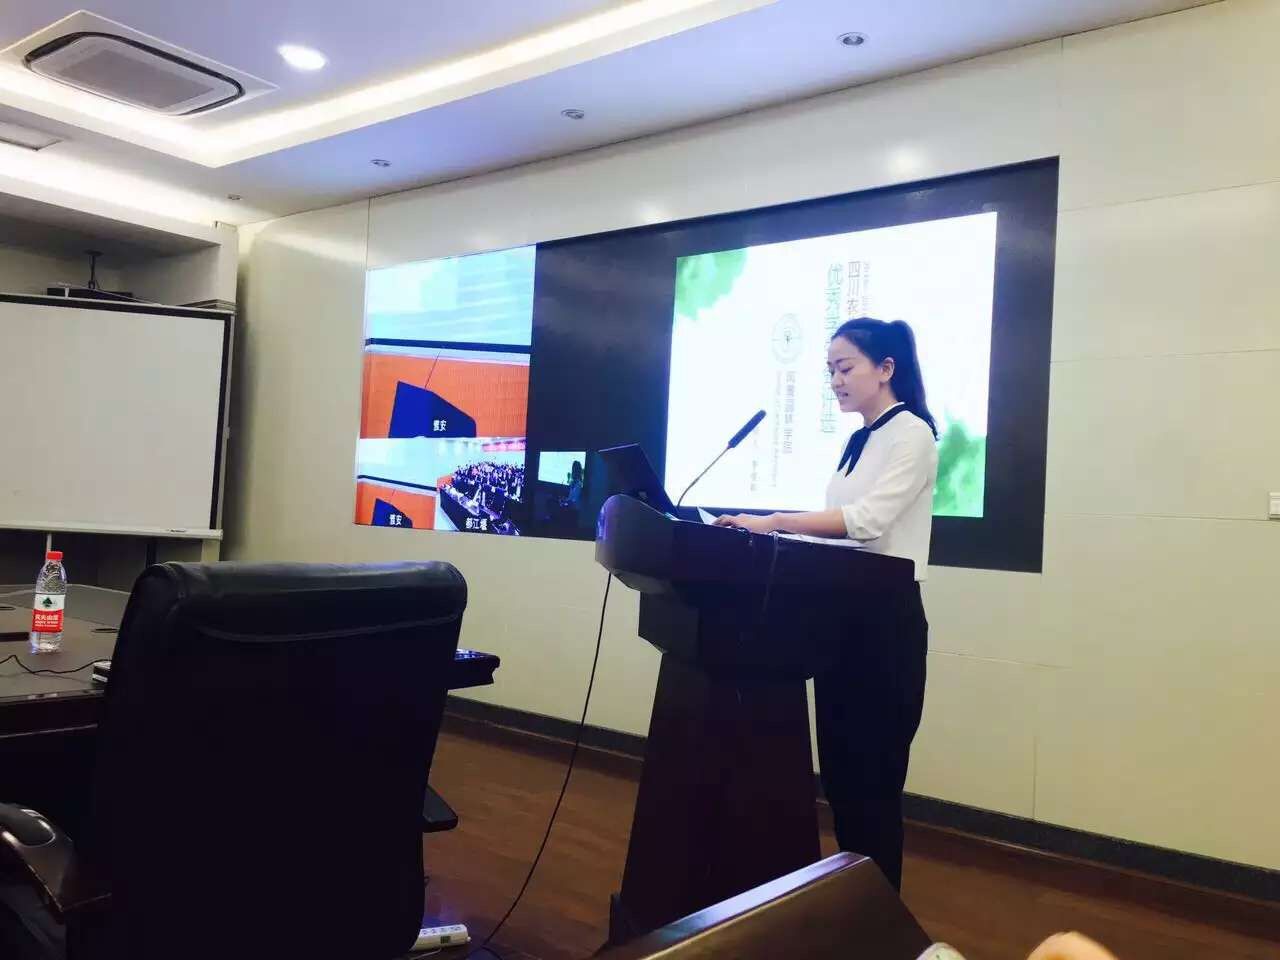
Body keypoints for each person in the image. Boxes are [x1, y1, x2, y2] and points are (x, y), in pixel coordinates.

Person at [715, 317, 938, 890]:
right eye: (829, 370)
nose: (835, 381)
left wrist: (775, 521)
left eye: (845, 368)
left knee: (873, 782)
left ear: (885, 368)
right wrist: (766, 533)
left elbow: (866, 522)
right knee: (840, 780)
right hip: (840, 620)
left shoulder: (912, 433)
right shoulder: (857, 440)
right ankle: (851, 904)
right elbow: (835, 531)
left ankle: (880, 913)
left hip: (885, 626)